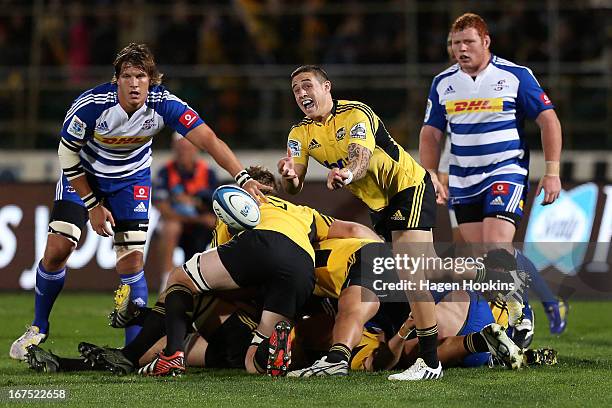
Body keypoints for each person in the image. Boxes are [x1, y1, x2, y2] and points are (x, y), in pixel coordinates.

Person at [9, 43, 270, 360]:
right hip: (83, 175)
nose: (134, 83)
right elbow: (67, 155)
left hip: (131, 181)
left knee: (132, 265)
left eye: (141, 77)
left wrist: (241, 177)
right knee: (58, 250)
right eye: (128, 76)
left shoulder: (164, 104)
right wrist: (92, 205)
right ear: (116, 80)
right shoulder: (91, 105)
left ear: (152, 80)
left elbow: (208, 140)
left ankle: (132, 352)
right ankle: (38, 327)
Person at [278, 65, 443, 380]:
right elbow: (294, 184)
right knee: (429, 268)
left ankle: (430, 362)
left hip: (407, 185)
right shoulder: (299, 133)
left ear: (327, 87)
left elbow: (361, 159)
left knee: (410, 270)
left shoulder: (355, 114)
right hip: (379, 204)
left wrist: (347, 174)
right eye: (296, 89)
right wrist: (288, 176)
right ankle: (487, 272)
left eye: (307, 85)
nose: (301, 93)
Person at [137, 166, 381, 376]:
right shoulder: (299, 212)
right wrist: (386, 252)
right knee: (340, 320)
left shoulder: (232, 216)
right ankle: (315, 351)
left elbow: (221, 283)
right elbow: (353, 230)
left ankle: (168, 353)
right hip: (314, 270)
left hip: (321, 274)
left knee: (184, 280)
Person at [418, 13, 567, 335]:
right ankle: (544, 302)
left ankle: (520, 317)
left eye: (468, 42)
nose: (461, 49)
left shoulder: (515, 75)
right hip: (462, 178)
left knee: (495, 247)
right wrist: (430, 173)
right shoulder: (444, 83)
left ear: (485, 42)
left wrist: (552, 172)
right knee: (485, 257)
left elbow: (548, 120)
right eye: (455, 43)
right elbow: (431, 132)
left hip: (505, 170)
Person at [153, 133, 219, 292]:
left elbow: (215, 205)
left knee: (219, 224)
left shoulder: (208, 173)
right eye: (180, 148)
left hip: (201, 227)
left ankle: (214, 282)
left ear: (196, 149)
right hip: (181, 225)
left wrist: (195, 203)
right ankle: (166, 281)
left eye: (188, 148)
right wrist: (197, 217)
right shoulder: (165, 172)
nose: (184, 152)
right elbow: (163, 209)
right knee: (171, 227)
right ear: (174, 149)